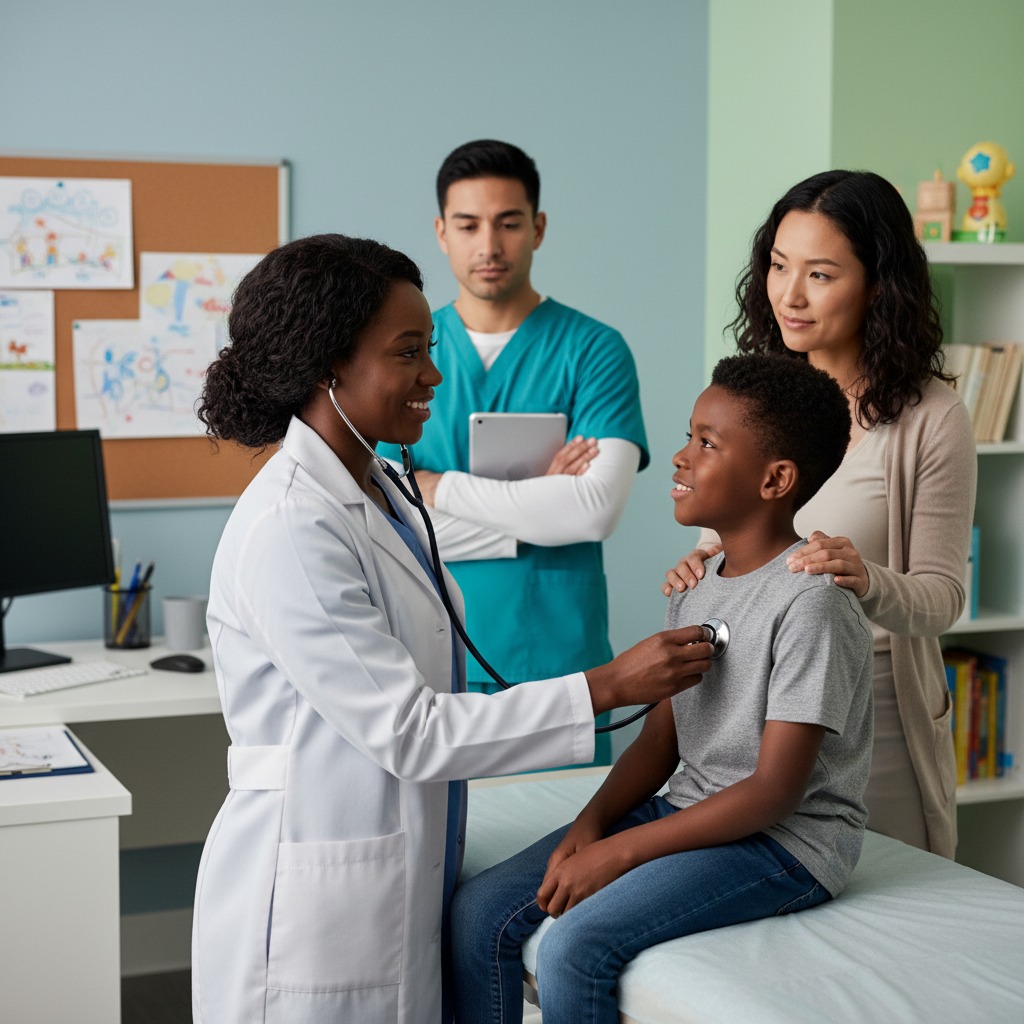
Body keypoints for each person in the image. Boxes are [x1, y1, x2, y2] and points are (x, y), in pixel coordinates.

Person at [189, 233, 715, 1024]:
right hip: (311, 908)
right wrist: (608, 684)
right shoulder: (291, 525)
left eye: (429, 349)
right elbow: (410, 729)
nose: (433, 375)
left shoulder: (385, 488)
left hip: (393, 865)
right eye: (409, 353)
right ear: (329, 365)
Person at [452, 353, 874, 1024]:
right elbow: (658, 744)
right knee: (479, 910)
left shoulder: (811, 604)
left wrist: (619, 852)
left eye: (706, 443)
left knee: (576, 947)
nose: (678, 458)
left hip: (786, 843)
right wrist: (589, 827)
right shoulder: (695, 586)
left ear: (776, 479)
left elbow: (775, 792)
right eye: (688, 436)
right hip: (691, 809)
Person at [663, 170, 976, 857]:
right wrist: (705, 564)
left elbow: (945, 598)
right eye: (778, 266)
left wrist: (865, 579)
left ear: (878, 284)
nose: (790, 295)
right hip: (745, 702)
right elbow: (737, 543)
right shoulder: (754, 397)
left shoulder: (932, 419)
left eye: (821, 274)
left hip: (874, 719)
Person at [378, 139, 648, 760]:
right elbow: (384, 522)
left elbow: (593, 512)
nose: (489, 246)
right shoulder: (401, 349)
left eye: (508, 223)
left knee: (566, 849)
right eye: (469, 225)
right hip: (429, 656)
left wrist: (436, 489)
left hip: (558, 659)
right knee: (450, 853)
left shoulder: (595, 350)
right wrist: (537, 507)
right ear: (442, 232)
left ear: (539, 228)